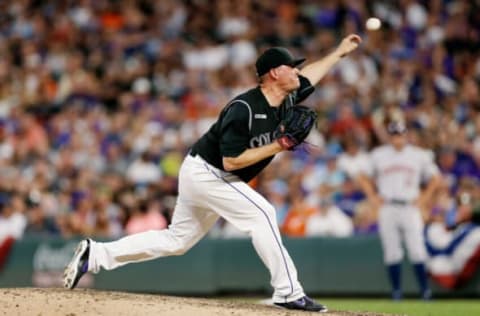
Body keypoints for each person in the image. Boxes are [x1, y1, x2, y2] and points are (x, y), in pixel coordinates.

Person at [63, 34, 361, 312]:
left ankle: (96, 255)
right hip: (209, 172)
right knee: (263, 214)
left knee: (176, 241)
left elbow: (313, 74)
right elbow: (232, 161)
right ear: (274, 73)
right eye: (291, 68)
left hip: (207, 173)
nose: (298, 72)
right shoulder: (243, 108)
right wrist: (279, 145)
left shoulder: (287, 99)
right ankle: (288, 292)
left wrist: (339, 53)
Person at [356, 121, 442, 300]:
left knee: (417, 249)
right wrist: (372, 197)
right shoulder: (379, 155)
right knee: (392, 251)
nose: (397, 138)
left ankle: (425, 291)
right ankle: (397, 292)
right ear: (389, 136)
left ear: (406, 135)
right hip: (388, 206)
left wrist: (424, 199)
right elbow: (362, 176)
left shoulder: (418, 155)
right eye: (394, 135)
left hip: (410, 206)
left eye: (400, 134)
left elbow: (435, 178)